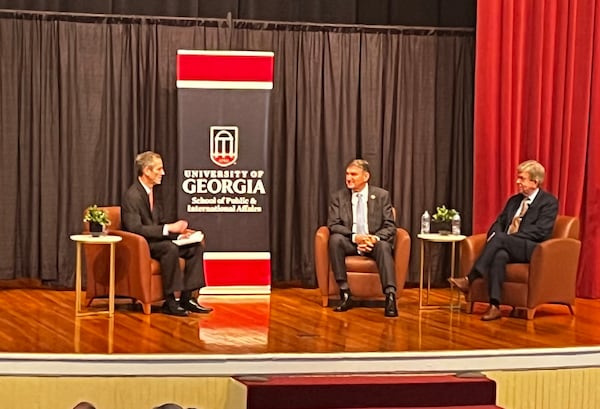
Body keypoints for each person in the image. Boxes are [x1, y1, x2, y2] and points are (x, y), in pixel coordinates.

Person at [450, 159, 558, 321]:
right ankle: (495, 306)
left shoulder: (548, 202)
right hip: (507, 245)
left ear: (535, 182)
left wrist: (507, 238)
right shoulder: (514, 201)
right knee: (499, 255)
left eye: (522, 178)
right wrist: (496, 237)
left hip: (532, 249)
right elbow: (498, 223)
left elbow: (540, 231)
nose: (517, 181)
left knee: (500, 240)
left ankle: (471, 278)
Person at [121, 151, 212, 316]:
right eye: (158, 169)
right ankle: (170, 301)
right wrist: (170, 228)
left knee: (195, 247)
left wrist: (179, 236)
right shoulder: (132, 196)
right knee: (169, 248)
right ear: (147, 171)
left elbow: (159, 224)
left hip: (157, 240)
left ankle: (188, 297)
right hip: (142, 243)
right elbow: (135, 228)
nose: (163, 173)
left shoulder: (153, 193)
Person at [327, 159, 398, 317]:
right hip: (351, 242)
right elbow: (333, 224)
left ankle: (390, 296)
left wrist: (373, 239)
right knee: (335, 239)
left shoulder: (381, 196)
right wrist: (355, 238)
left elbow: (390, 226)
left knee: (384, 246)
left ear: (366, 177)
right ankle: (345, 293)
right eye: (347, 174)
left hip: (373, 242)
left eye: (353, 174)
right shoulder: (338, 197)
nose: (349, 178)